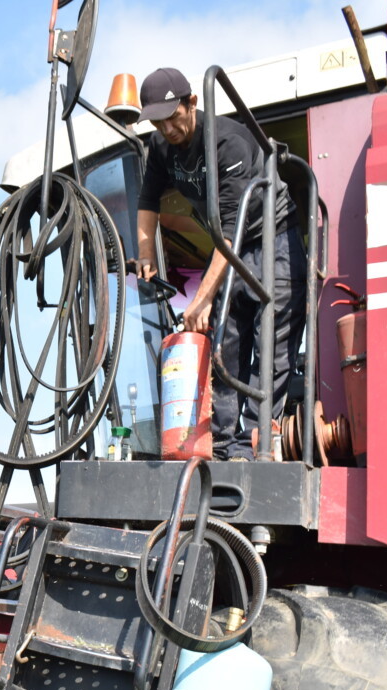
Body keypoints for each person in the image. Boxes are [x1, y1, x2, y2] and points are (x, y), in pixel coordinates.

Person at [134, 67, 307, 460]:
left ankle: (253, 447)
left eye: (172, 118)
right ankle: (225, 447)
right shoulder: (161, 147)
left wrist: (203, 296)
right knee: (226, 345)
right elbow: (147, 200)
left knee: (271, 343)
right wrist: (146, 253)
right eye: (158, 122)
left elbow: (229, 231)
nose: (167, 129)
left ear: (192, 103)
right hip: (231, 244)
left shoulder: (227, 142)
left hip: (273, 237)